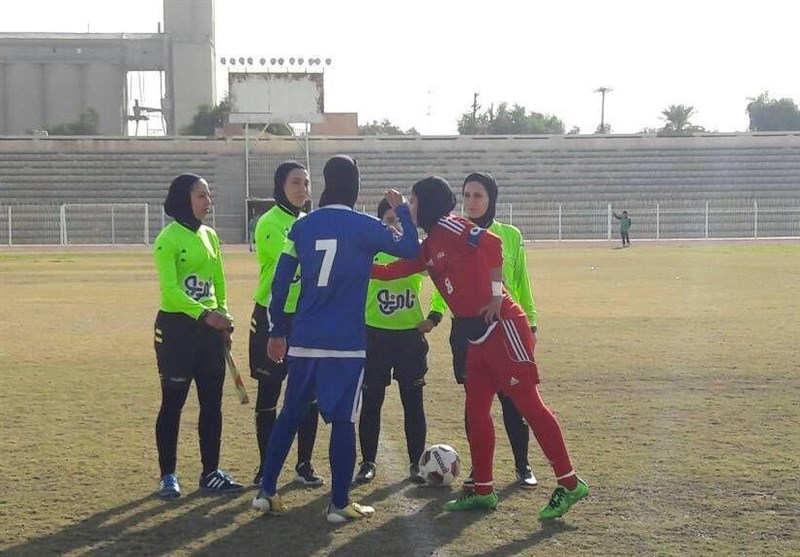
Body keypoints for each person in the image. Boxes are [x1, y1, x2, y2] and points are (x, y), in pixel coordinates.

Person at [372, 176, 588, 520]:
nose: (409, 207)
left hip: (503, 326)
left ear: (426, 203)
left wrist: (497, 294)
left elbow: (492, 243)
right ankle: (484, 490)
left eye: (412, 201)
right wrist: (354, 265)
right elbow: (391, 270)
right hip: (476, 337)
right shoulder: (429, 245)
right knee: (476, 411)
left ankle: (570, 482)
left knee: (530, 405)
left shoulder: (451, 224)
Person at [252, 155, 420, 523]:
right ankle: (339, 503)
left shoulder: (302, 226)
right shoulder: (366, 226)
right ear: (355, 184)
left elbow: (280, 282)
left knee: (290, 413)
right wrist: (402, 211)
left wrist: (277, 330)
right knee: (343, 420)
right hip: (345, 342)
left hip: (304, 336)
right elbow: (412, 248)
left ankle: (266, 491)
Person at [426, 172, 538, 489]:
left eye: (478, 195)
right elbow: (443, 283)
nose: (471, 202)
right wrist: (435, 314)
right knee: (476, 405)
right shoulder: (453, 233)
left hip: (505, 327)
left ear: (491, 199)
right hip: (466, 330)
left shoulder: (510, 235)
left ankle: (522, 465)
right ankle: (479, 468)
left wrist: (531, 322)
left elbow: (521, 281)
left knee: (513, 401)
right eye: (467, 195)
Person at [152, 173, 244, 499]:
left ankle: (210, 473)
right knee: (173, 403)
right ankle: (168, 475)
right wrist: (206, 315)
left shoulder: (210, 236)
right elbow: (170, 291)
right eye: (202, 196)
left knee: (212, 404)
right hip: (177, 331)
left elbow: (218, 284)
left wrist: (225, 319)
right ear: (184, 199)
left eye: (208, 195)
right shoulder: (167, 239)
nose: (208, 202)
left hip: (209, 333)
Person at [353, 199, 444, 486]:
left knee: (413, 403)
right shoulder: (369, 252)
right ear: (380, 223)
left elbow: (442, 278)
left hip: (409, 339)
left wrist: (435, 316)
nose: (394, 226)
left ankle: (417, 463)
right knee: (371, 402)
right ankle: (368, 463)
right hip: (374, 337)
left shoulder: (416, 252)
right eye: (389, 220)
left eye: (399, 221)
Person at [249, 161, 323, 488]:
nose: (303, 189)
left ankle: (304, 463)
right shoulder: (269, 222)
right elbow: (290, 261)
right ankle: (266, 465)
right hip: (273, 314)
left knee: (308, 393)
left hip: (306, 317)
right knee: (269, 392)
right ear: (280, 186)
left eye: (306, 183)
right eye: (296, 182)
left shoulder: (309, 221)